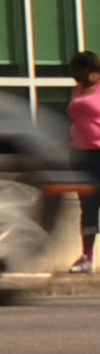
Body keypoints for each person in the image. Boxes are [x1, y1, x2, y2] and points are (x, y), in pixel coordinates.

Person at [72, 50, 100, 275]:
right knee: (87, 207)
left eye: (77, 70)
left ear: (90, 69)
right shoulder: (77, 90)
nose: (74, 75)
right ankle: (87, 258)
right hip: (81, 155)